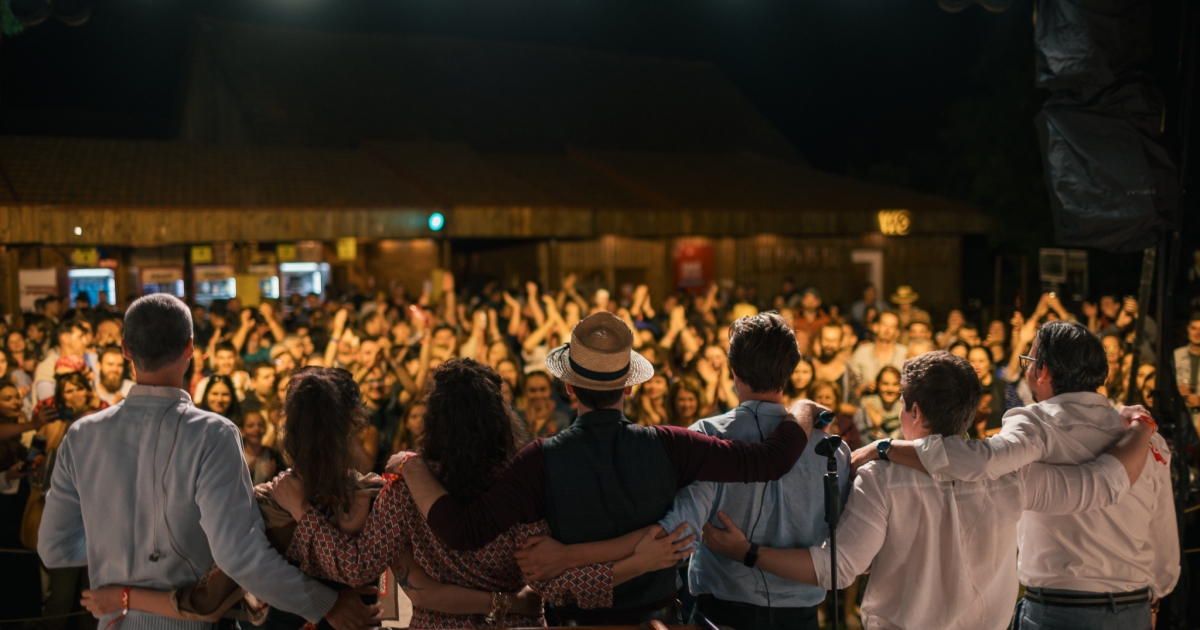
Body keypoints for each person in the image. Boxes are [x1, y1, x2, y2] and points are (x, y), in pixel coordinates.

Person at [400, 312, 815, 625]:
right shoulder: (673, 445)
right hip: (656, 619)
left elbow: (462, 531)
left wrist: (413, 467)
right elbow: (771, 462)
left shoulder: (539, 459)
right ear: (630, 386)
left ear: (568, 387)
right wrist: (800, 411)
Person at [702, 350, 1158, 630]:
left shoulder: (881, 478)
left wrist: (748, 552)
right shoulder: (1011, 476)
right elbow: (1099, 485)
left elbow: (838, 569)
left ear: (913, 410)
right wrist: (1140, 429)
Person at [36, 294, 380, 630]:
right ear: (190, 349)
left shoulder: (82, 434)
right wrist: (325, 604)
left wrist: (113, 546)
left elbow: (54, 549)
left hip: (115, 619)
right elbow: (238, 555)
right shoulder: (212, 433)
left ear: (125, 349)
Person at [271, 361, 690, 628]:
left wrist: (302, 512)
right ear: (499, 420)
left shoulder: (406, 488)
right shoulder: (519, 484)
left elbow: (355, 564)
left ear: (434, 421)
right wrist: (638, 562)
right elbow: (559, 580)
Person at [855, 322, 1180, 629]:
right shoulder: (1146, 438)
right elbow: (1163, 529)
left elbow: (980, 461)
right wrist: (1154, 599)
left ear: (1044, 371)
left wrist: (884, 448)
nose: (1025, 369)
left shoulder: (1037, 422)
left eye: (1028, 360)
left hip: (1058, 610)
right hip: (1134, 606)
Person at [654, 313, 849, 630]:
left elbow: (680, 534)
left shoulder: (706, 436)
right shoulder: (834, 450)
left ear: (733, 370)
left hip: (723, 615)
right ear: (790, 372)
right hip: (802, 617)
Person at [34, 318, 93, 401]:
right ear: (65, 338)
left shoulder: (91, 359)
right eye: (80, 337)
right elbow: (49, 405)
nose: (85, 341)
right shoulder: (47, 368)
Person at [850, 311, 906, 392]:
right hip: (866, 402)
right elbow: (852, 386)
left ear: (897, 332)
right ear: (875, 327)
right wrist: (866, 387)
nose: (887, 329)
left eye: (892, 326)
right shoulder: (861, 352)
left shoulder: (905, 354)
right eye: (884, 325)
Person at [812, 323, 859, 416]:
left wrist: (834, 405)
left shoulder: (848, 373)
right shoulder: (807, 367)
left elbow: (855, 409)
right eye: (826, 340)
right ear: (819, 340)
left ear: (841, 343)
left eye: (834, 341)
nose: (829, 345)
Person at [854, 366, 902, 441]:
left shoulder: (907, 412)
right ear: (877, 385)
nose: (890, 389)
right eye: (885, 384)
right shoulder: (866, 408)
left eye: (895, 384)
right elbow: (859, 442)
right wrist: (875, 429)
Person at [242, 411, 287, 484]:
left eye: (260, 425)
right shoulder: (236, 457)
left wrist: (272, 477)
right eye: (250, 426)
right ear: (242, 431)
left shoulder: (274, 456)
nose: (256, 429)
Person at [1174, 312, 1200, 428]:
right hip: (1180, 418)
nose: (1197, 333)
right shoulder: (1176, 355)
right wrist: (1175, 389)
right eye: (1194, 328)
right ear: (1188, 329)